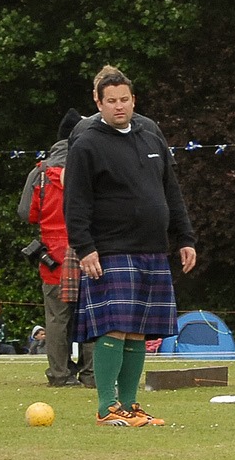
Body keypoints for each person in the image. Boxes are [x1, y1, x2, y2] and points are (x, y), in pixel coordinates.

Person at [63, 70, 197, 427]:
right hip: (110, 249)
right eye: (111, 101)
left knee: (139, 328)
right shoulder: (87, 144)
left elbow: (171, 192)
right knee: (116, 327)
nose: (119, 106)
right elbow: (75, 203)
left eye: (124, 99)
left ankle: (131, 405)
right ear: (99, 103)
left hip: (152, 248)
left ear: (133, 100)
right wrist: (85, 247)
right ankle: (107, 407)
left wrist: (185, 237)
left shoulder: (150, 136)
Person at [17, 109, 89, 386]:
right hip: (87, 249)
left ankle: (59, 374)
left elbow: (26, 213)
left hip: (53, 254)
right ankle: (92, 372)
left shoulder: (41, 173)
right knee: (89, 313)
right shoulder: (89, 166)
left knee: (57, 318)